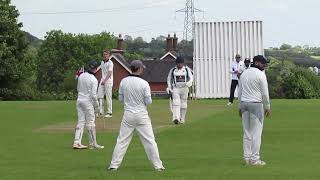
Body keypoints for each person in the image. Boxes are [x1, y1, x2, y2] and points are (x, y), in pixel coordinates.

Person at [108, 60, 165, 171]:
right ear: (139, 69)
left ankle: (113, 165)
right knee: (149, 141)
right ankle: (158, 166)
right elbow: (148, 102)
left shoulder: (124, 81)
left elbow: (120, 99)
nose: (143, 70)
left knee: (122, 141)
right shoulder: (144, 84)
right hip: (141, 115)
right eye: (142, 68)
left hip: (128, 114)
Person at [238, 55, 271, 166]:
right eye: (263, 63)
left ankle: (247, 158)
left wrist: (239, 106)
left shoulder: (244, 74)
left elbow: (240, 92)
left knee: (247, 133)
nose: (265, 65)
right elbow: (265, 94)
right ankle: (255, 159)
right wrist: (267, 107)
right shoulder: (261, 75)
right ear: (257, 63)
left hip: (244, 104)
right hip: (256, 105)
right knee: (256, 133)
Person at [73, 60, 104, 149]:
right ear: (95, 69)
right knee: (91, 122)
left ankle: (77, 142)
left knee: (81, 121)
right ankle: (93, 143)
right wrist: (97, 107)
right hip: (87, 102)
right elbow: (94, 95)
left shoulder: (81, 75)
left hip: (79, 100)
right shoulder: (94, 79)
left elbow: (78, 88)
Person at [166, 56, 193, 125]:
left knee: (183, 104)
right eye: (178, 63)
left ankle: (182, 118)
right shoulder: (173, 70)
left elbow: (191, 78)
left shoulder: (186, 69)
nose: (179, 65)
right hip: (176, 88)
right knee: (176, 102)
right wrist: (169, 87)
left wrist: (189, 83)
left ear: (183, 63)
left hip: (184, 88)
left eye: (181, 63)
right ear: (176, 63)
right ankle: (176, 118)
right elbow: (169, 79)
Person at [97, 49, 114, 118]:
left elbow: (109, 73)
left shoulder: (110, 63)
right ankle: (100, 111)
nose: (104, 55)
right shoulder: (102, 62)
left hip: (108, 81)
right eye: (104, 54)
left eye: (106, 54)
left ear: (109, 55)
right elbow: (102, 72)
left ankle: (109, 112)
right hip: (102, 80)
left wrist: (105, 80)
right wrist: (102, 80)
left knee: (108, 96)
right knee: (99, 95)